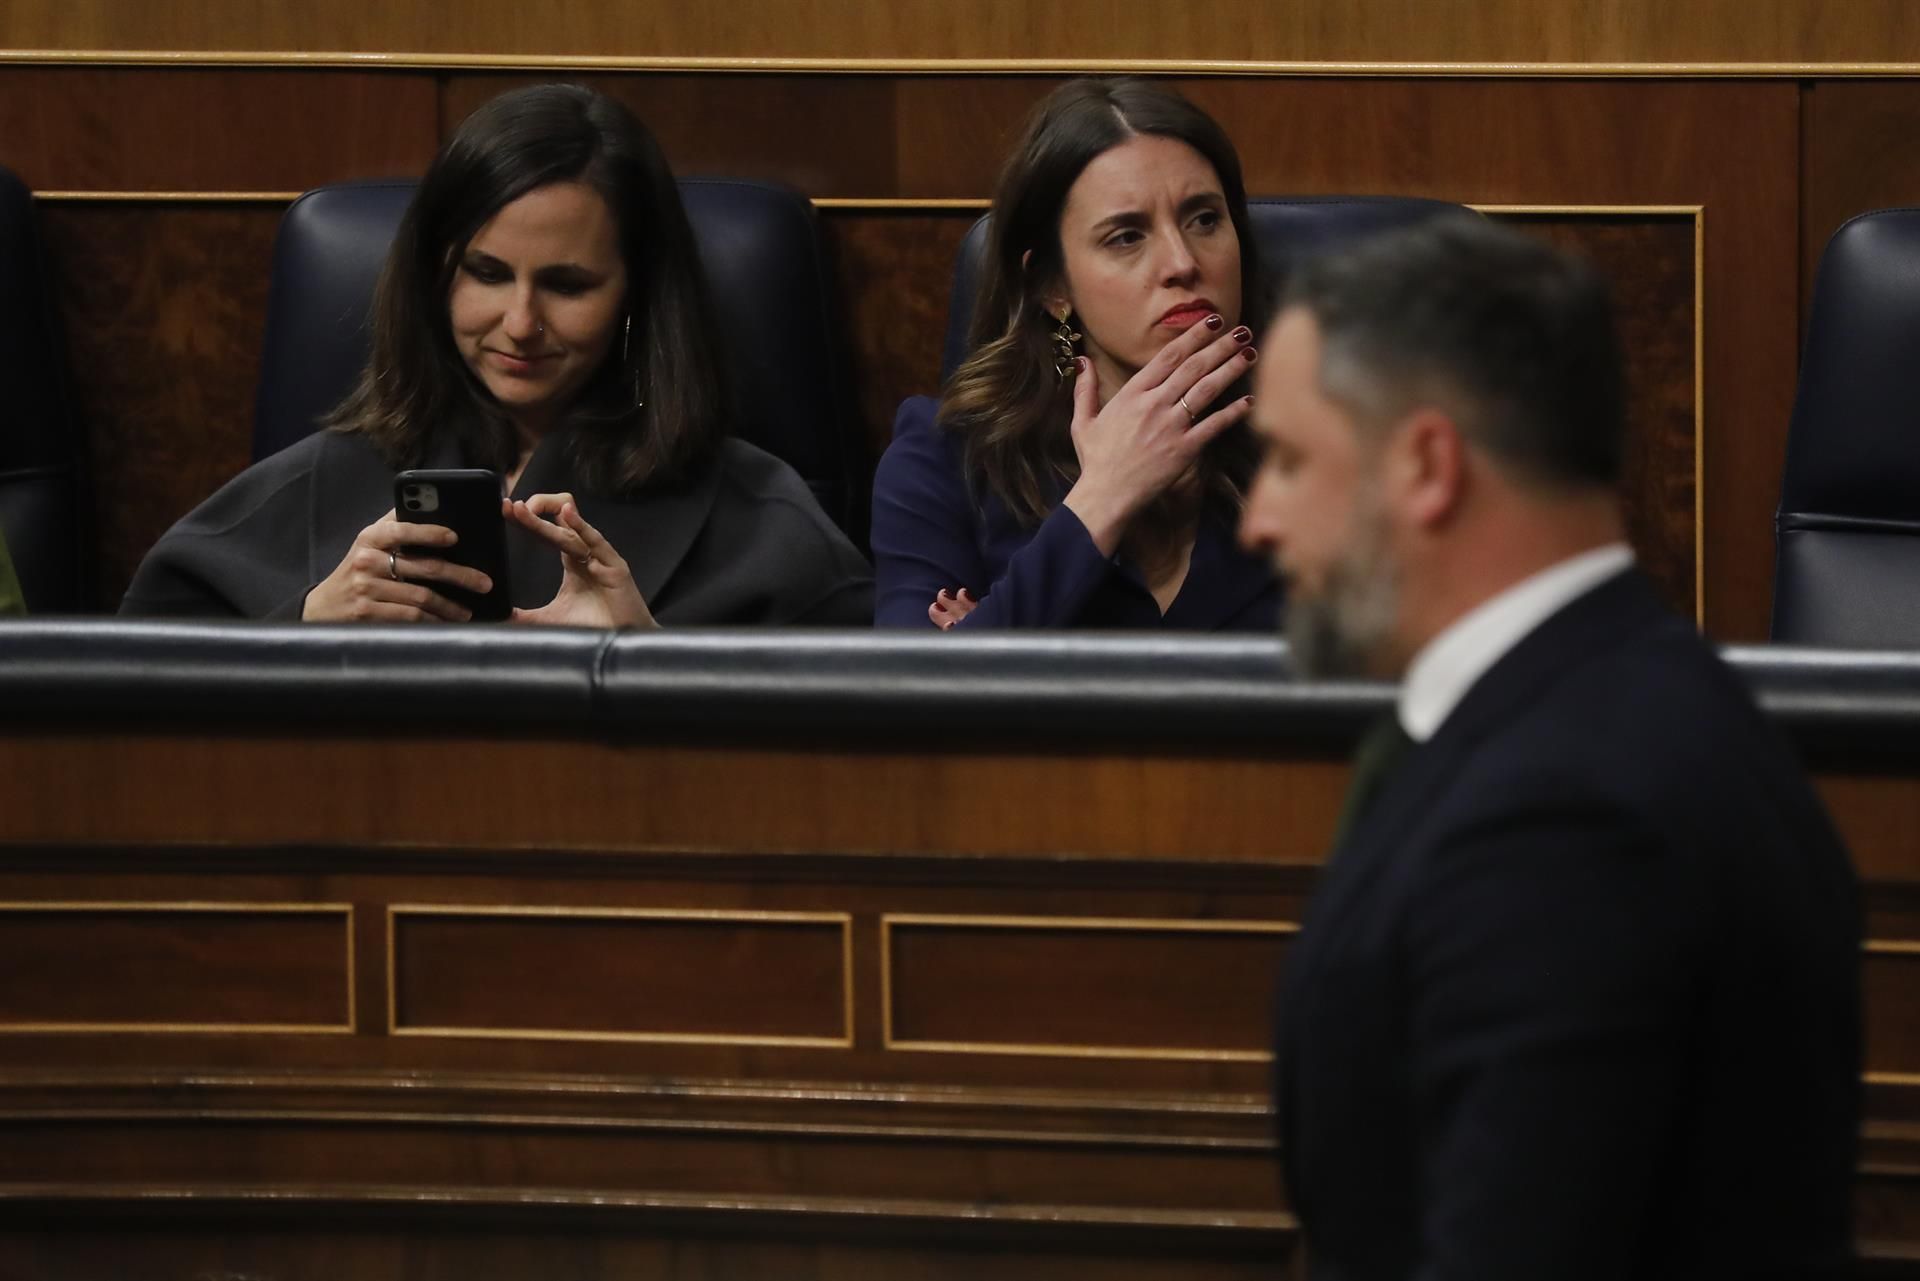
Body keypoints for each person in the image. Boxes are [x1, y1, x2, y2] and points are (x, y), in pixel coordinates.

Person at [1238, 216, 1860, 1280]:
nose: (1257, 519)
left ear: (1426, 465)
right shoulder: (1605, 708)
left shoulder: (1570, 820)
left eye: (1291, 460)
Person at [121, 84, 871, 626]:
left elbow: (857, 754)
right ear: (434, 276)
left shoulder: (755, 512)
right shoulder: (324, 476)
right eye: (486, 274)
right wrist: (308, 625)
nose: (520, 323)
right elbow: (138, 688)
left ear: (639, 295)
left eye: (567, 285)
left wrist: (646, 664)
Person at [871, 77, 1278, 630]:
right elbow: (914, 704)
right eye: (1126, 236)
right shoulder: (947, 459)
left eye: (1204, 219)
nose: (1182, 261)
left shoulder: (1322, 446)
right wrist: (1100, 501)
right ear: (1052, 287)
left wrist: (996, 641)